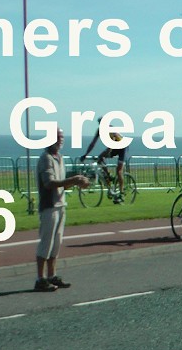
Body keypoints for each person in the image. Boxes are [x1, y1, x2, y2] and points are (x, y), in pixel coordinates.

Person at [34, 130, 89, 292]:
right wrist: (73, 180)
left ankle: (52, 275)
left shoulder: (60, 158)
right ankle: (40, 278)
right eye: (57, 137)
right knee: (46, 243)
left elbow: (63, 184)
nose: (60, 140)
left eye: (61, 137)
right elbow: (49, 183)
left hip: (60, 204)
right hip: (49, 205)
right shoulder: (46, 158)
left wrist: (77, 181)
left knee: (56, 243)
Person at [81, 117, 128, 203]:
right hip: (114, 147)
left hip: (122, 147)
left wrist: (104, 154)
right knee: (100, 160)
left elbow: (110, 147)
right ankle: (109, 176)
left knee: (119, 171)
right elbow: (92, 143)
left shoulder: (111, 129)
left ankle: (121, 193)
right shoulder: (99, 131)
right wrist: (86, 154)